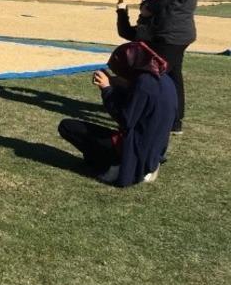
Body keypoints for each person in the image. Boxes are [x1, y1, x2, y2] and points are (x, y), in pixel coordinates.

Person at [58, 41, 177, 186]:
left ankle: (116, 164)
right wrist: (116, 83)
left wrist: (106, 89)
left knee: (67, 127)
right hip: (154, 148)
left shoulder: (144, 84)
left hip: (134, 147)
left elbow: (125, 118)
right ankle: (147, 165)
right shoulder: (163, 78)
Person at [141, 0, 207, 134]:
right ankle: (175, 120)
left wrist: (147, 8)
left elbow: (163, 0)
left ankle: (148, 116)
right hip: (180, 32)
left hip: (171, 33)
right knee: (172, 76)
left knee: (153, 76)